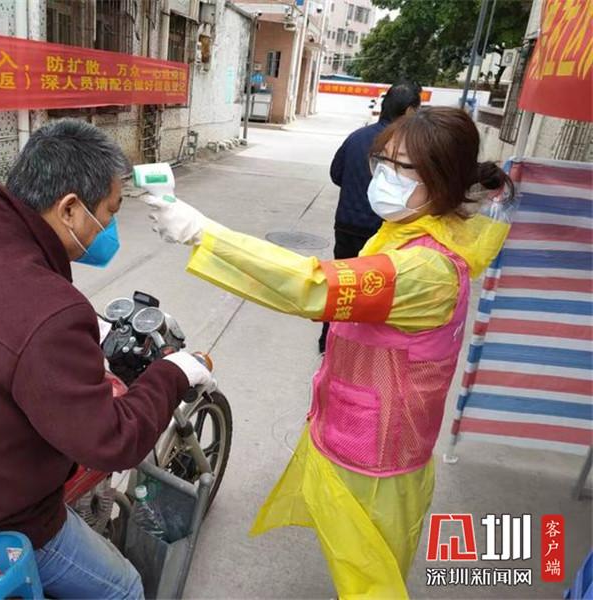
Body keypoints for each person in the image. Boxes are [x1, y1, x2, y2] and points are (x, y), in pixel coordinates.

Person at [144, 107, 514, 598]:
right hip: (360, 428)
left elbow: (313, 286)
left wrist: (202, 233)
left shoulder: (426, 270)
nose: (385, 176)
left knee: (371, 579)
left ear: (442, 180)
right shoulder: (409, 234)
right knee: (359, 566)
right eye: (383, 161)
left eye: (403, 167)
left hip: (378, 454)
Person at [0, 119, 212, 599]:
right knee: (125, 589)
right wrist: (172, 372)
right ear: (70, 208)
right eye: (110, 212)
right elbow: (112, 442)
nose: (109, 228)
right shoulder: (53, 310)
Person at [319, 81, 423, 352]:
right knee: (375, 291)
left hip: (347, 225)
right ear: (409, 110)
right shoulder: (406, 148)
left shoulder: (357, 137)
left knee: (341, 285)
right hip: (383, 233)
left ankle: (328, 340)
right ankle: (358, 345)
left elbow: (336, 174)